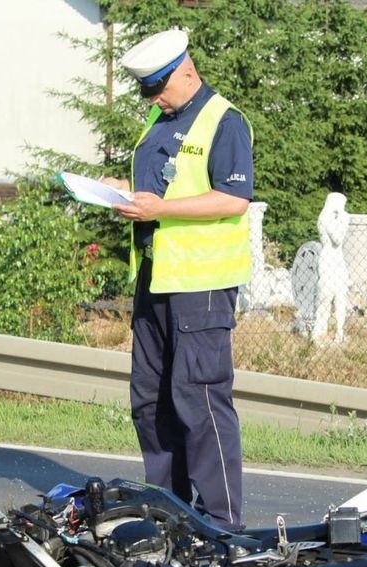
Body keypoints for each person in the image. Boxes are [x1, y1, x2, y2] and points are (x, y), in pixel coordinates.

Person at [103, 29, 254, 530]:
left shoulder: (224, 120)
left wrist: (160, 208)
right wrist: (122, 192)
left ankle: (220, 524)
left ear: (186, 69)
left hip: (202, 285)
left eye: (158, 87)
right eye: (146, 91)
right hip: (156, 276)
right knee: (150, 400)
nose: (153, 98)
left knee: (201, 400)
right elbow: (160, 185)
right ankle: (168, 512)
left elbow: (233, 199)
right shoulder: (159, 117)